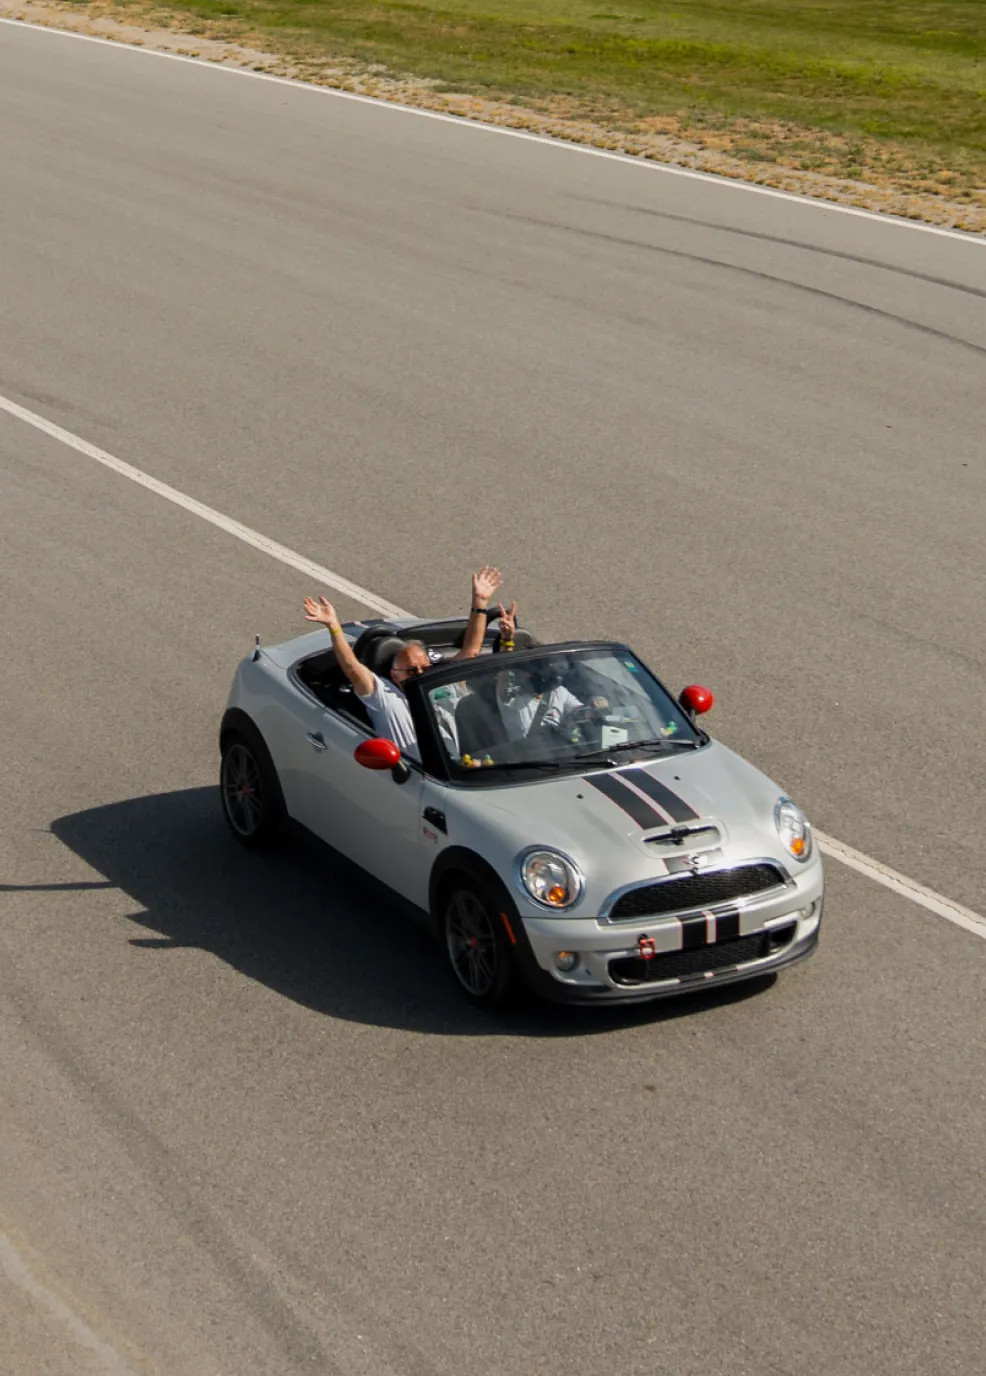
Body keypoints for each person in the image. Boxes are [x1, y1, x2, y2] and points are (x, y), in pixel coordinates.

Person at [302, 567, 504, 761]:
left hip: (451, 773)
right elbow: (352, 668)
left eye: (424, 668)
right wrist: (334, 627)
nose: (419, 673)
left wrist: (480, 603)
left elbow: (471, 651)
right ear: (394, 675)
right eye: (410, 670)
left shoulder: (440, 691)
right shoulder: (385, 697)